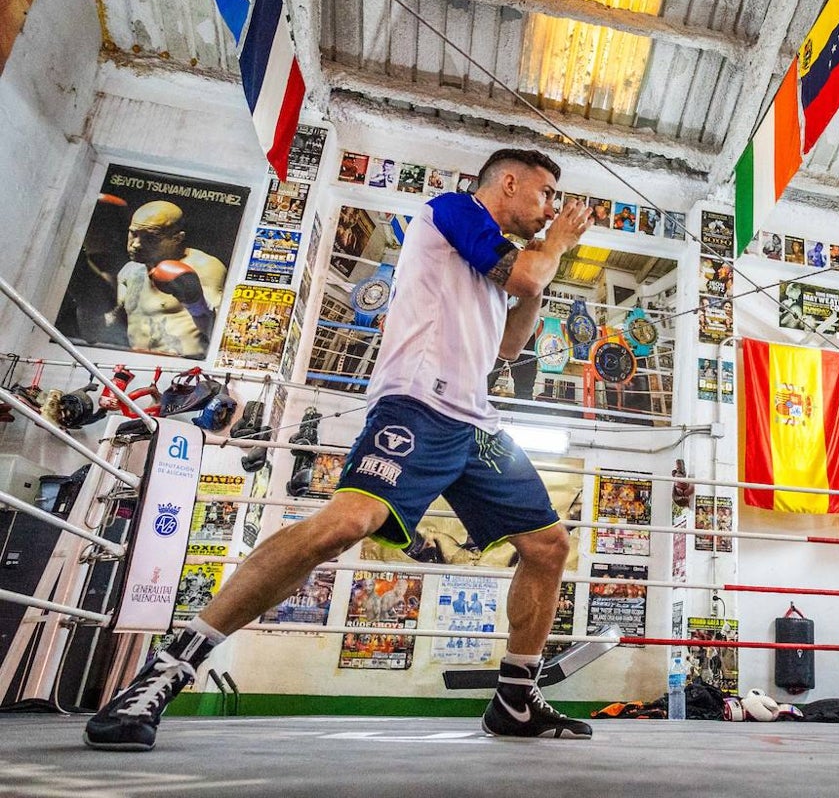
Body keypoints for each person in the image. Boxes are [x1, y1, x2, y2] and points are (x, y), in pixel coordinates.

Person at [85, 149, 595, 750]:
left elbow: (510, 346)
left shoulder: (502, 263)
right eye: (544, 196)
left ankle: (514, 699)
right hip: (416, 404)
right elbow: (531, 273)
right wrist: (553, 246)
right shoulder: (454, 211)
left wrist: (543, 260)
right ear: (508, 183)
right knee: (346, 523)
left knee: (547, 546)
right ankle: (168, 668)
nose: (550, 210)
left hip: (474, 422)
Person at [105, 201, 227, 358]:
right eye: (134, 234)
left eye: (150, 238)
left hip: (183, 369)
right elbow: (111, 323)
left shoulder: (205, 266)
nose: (136, 244)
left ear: (177, 238)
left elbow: (219, 331)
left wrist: (194, 300)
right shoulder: (130, 270)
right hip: (135, 364)